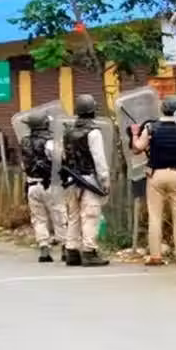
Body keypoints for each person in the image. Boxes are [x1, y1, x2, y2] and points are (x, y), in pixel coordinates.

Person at [132, 94, 176, 266]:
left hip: (156, 175)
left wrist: (135, 134)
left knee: (155, 216)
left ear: (163, 109)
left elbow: (138, 148)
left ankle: (156, 256)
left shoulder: (151, 127)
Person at [62, 94, 112, 267]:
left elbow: (64, 157)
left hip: (71, 180)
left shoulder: (68, 132)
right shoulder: (93, 132)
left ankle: (72, 251)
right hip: (89, 180)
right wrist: (105, 181)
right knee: (91, 215)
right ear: (92, 111)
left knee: (74, 216)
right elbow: (99, 159)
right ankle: (89, 252)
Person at [20, 114, 68, 263]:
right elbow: (60, 159)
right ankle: (65, 247)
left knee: (38, 218)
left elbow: (24, 165)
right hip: (51, 185)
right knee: (59, 215)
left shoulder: (25, 142)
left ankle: (44, 247)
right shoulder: (50, 141)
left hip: (32, 185)